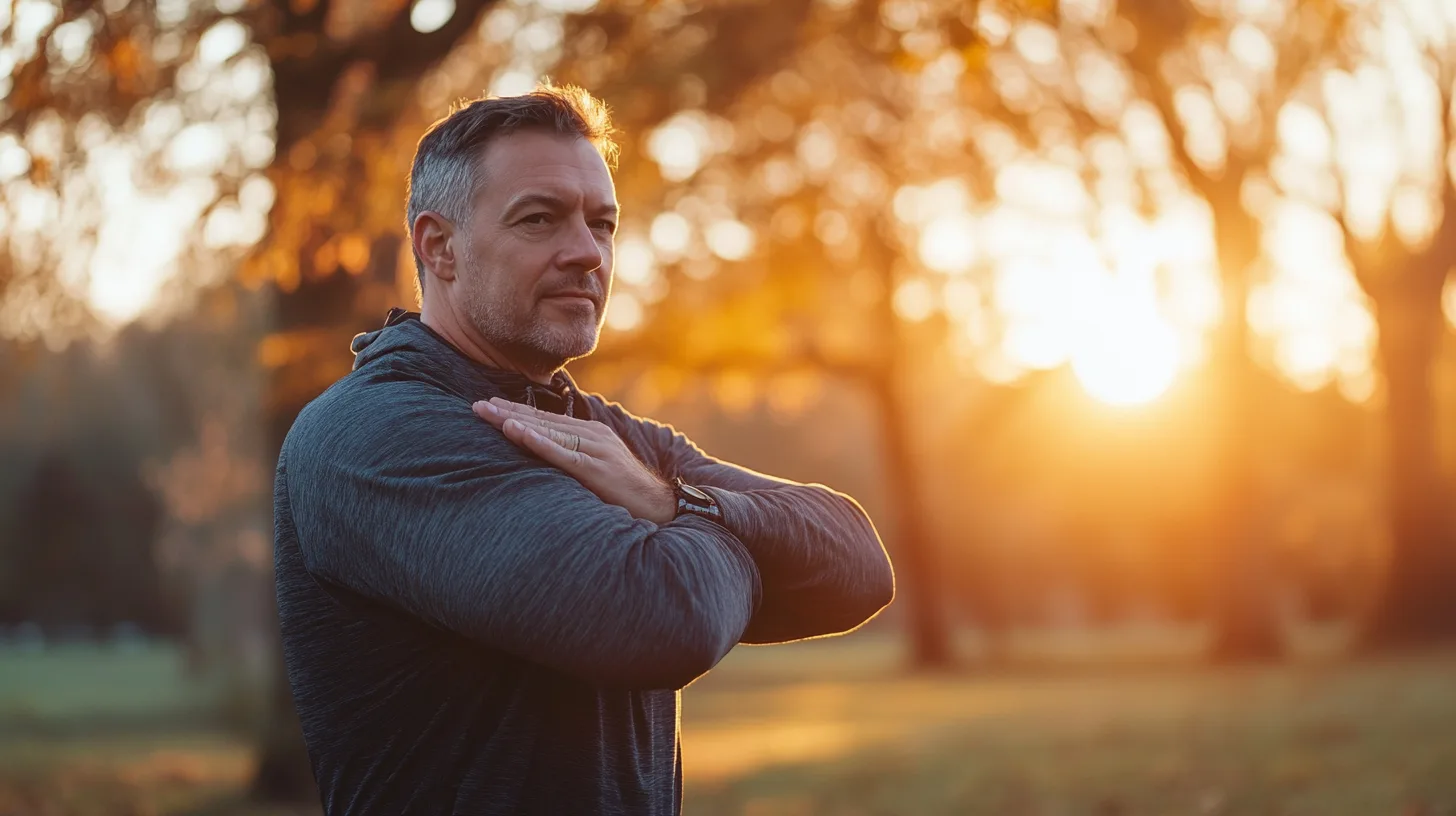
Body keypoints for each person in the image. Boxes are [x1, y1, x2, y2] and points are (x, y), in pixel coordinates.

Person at [273, 84, 895, 816]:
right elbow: (664, 618)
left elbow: (859, 564)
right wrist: (711, 536)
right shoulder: (373, 435)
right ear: (439, 247)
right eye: (539, 219)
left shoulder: (606, 437)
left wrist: (671, 504)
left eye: (602, 224)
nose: (587, 253)